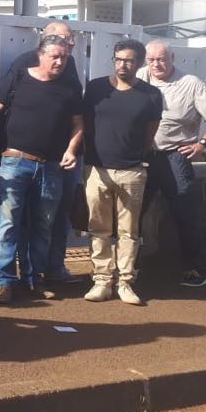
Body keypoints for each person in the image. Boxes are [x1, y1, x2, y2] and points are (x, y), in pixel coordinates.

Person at [0, 35, 83, 304]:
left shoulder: (69, 87)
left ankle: (34, 279)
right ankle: (5, 282)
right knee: (8, 222)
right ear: (40, 55)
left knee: (43, 224)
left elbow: (78, 124)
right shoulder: (19, 77)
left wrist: (71, 149)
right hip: (14, 161)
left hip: (51, 166)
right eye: (55, 56)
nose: (60, 62)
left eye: (64, 57)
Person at [82, 40, 162, 305]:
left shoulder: (151, 95)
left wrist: (135, 158)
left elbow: (150, 132)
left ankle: (125, 282)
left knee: (129, 231)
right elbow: (86, 124)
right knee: (98, 228)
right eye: (118, 59)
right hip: (97, 169)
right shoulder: (96, 88)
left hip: (132, 171)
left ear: (139, 63)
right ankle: (102, 281)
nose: (122, 65)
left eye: (128, 60)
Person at [137, 41, 206, 288]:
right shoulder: (140, 78)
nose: (157, 64)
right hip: (143, 156)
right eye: (151, 60)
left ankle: (194, 268)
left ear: (172, 58)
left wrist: (201, 144)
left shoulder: (191, 83)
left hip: (175, 155)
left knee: (186, 212)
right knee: (133, 211)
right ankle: (128, 265)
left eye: (162, 59)